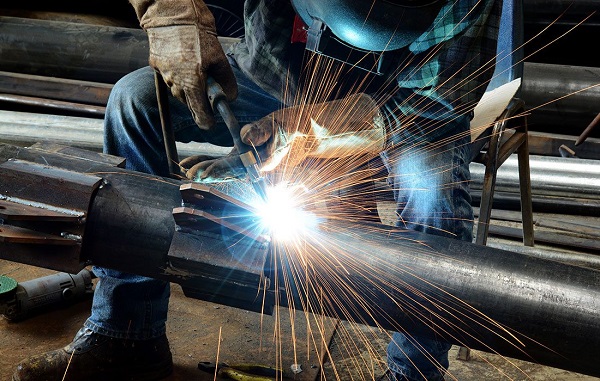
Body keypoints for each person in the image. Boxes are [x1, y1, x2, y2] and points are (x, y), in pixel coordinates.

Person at [12, 0, 501, 380]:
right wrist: (171, 14)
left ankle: (411, 374)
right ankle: (127, 332)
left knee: (433, 187)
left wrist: (316, 127)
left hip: (408, 100)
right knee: (135, 100)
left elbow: (443, 98)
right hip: (280, 72)